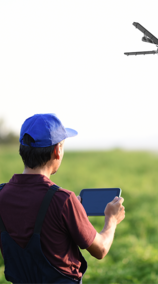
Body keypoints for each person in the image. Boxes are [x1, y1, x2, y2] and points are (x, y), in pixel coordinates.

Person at [0, 113, 125, 284]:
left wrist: (75, 217)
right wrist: (111, 219)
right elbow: (101, 249)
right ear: (57, 150)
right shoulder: (63, 200)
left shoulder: (2, 194)